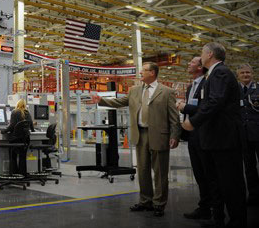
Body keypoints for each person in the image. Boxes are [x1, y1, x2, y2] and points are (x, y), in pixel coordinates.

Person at [91, 62, 180, 217]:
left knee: (160, 171)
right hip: (140, 134)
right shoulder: (134, 91)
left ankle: (159, 204)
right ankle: (146, 201)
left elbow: (174, 117)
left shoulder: (166, 92)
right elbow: (119, 102)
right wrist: (101, 100)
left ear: (152, 73)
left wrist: (174, 135)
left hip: (159, 135)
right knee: (143, 170)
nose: (140, 73)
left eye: (144, 71)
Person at [182, 42, 246, 228]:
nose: (201, 56)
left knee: (231, 183)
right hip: (216, 139)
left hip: (224, 139)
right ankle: (221, 217)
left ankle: (237, 220)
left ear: (209, 54)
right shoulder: (213, 74)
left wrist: (193, 121)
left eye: (202, 53)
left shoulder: (221, 73)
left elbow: (214, 102)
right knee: (219, 181)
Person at [177, 57, 211, 220]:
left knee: (209, 173)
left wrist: (185, 107)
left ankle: (215, 209)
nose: (188, 64)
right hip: (192, 135)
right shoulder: (191, 87)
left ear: (199, 67)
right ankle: (204, 206)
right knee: (198, 173)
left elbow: (206, 109)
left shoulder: (207, 84)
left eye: (191, 62)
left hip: (205, 134)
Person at [237, 63, 259, 205]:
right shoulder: (234, 91)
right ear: (237, 75)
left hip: (258, 133)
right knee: (249, 167)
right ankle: (254, 195)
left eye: (248, 72)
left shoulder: (258, 88)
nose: (246, 75)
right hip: (243, 136)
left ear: (252, 74)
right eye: (242, 73)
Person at [1, 99, 34, 175]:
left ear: (17, 105)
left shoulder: (14, 112)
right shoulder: (27, 113)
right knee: (23, 156)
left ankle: (13, 173)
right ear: (24, 105)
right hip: (25, 140)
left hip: (16, 140)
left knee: (13, 155)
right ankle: (22, 174)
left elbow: (12, 126)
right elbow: (31, 126)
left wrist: (3, 131)